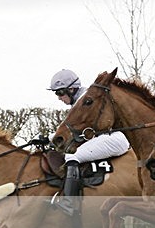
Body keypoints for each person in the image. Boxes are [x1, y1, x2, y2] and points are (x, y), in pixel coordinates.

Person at [47, 69, 130, 215]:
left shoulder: (84, 98)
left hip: (115, 138)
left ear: (71, 89)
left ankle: (69, 203)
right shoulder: (80, 101)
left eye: (60, 93)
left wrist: (50, 138)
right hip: (109, 138)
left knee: (72, 156)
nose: (59, 98)